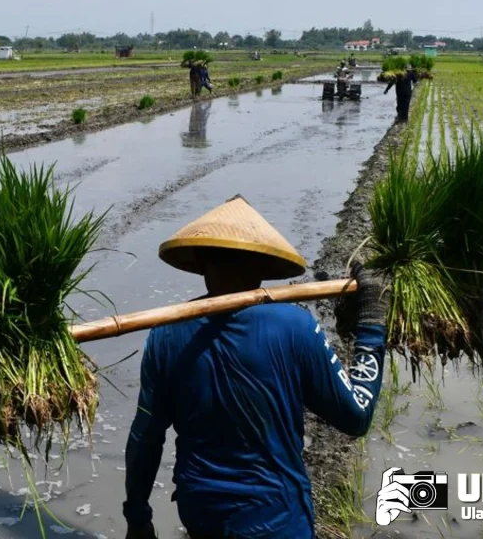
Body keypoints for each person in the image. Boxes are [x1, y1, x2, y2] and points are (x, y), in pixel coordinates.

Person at [123, 195, 390, 539]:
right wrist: (371, 326)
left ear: (203, 264)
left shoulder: (165, 334)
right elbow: (356, 417)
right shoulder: (295, 326)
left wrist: (138, 517)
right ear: (263, 268)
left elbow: (145, 437)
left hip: (201, 513)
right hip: (276, 518)